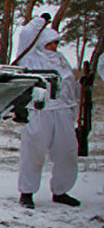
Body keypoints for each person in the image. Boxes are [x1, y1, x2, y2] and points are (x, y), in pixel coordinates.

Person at [15, 15, 81, 209]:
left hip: (62, 111)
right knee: (33, 153)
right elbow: (26, 33)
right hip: (39, 110)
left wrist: (72, 109)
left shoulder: (61, 60)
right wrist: (41, 20)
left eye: (55, 43)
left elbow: (70, 85)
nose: (53, 47)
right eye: (49, 43)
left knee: (67, 152)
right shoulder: (29, 57)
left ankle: (61, 191)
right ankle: (27, 192)